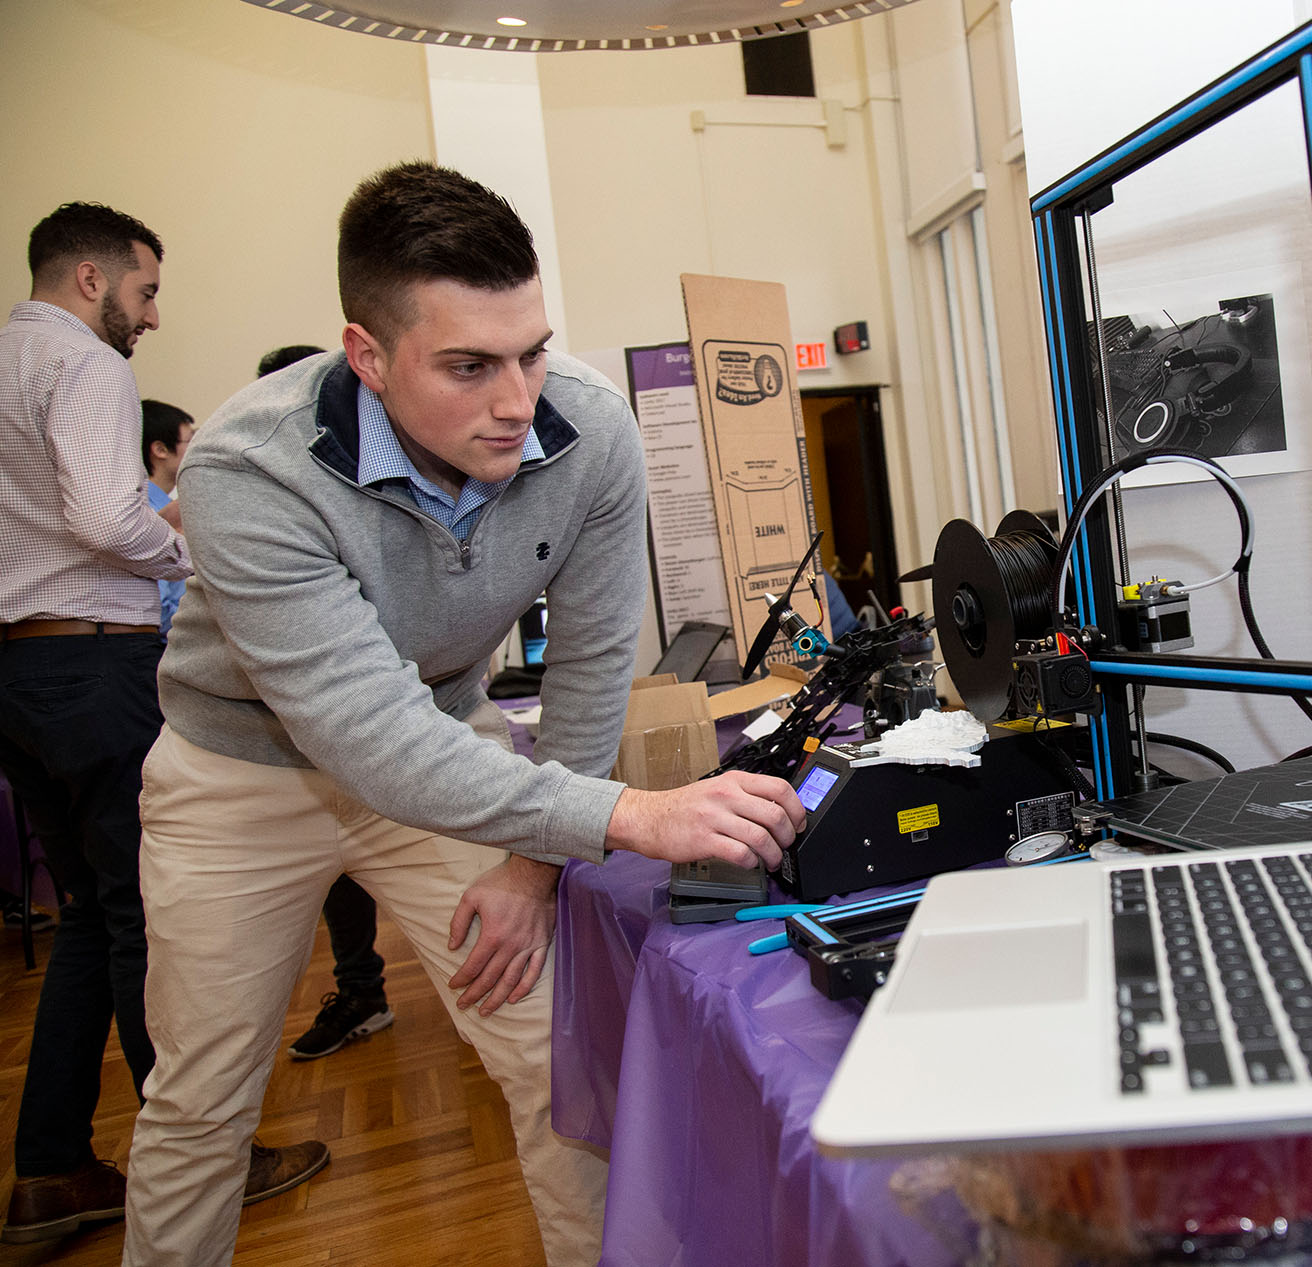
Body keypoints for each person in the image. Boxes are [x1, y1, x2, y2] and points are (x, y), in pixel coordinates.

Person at [124, 162, 805, 1266]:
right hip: (238, 771)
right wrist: (629, 814)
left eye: (532, 349)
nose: (518, 399)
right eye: (468, 365)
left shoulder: (588, 434)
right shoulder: (248, 469)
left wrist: (535, 867)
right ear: (367, 355)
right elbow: (367, 737)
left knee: (562, 1065)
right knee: (200, 1102)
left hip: (445, 739)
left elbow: (588, 665)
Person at [0, 202, 325, 1246]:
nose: (149, 318)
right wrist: (193, 543)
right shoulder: (84, 364)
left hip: (18, 669)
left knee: (91, 922)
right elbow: (105, 516)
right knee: (150, 914)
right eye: (144, 292)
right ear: (91, 279)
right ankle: (198, 1155)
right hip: (94, 659)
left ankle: (49, 1168)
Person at [250, 345, 400, 1062]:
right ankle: (360, 988)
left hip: (383, 749)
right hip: (274, 756)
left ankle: (363, 989)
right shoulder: (257, 492)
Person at [138, 399, 193, 637]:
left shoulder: (166, 505)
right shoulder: (145, 511)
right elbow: (156, 606)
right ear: (160, 450)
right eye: (191, 441)